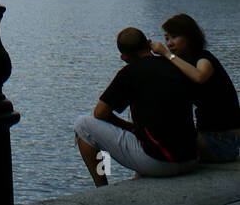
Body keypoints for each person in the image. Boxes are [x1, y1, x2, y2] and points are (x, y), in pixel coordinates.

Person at [74, 26, 198, 185]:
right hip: (191, 158)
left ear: (124, 57)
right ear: (148, 43)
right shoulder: (174, 65)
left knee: (83, 125)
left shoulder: (129, 73)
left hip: (160, 163)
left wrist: (127, 126)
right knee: (150, 131)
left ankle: (102, 187)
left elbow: (99, 113)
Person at [151, 14, 240, 163]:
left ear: (190, 37)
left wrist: (167, 54)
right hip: (208, 136)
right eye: (167, 39)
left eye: (174, 37)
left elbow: (199, 76)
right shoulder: (183, 64)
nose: (169, 43)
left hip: (224, 142)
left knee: (164, 144)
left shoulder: (204, 59)